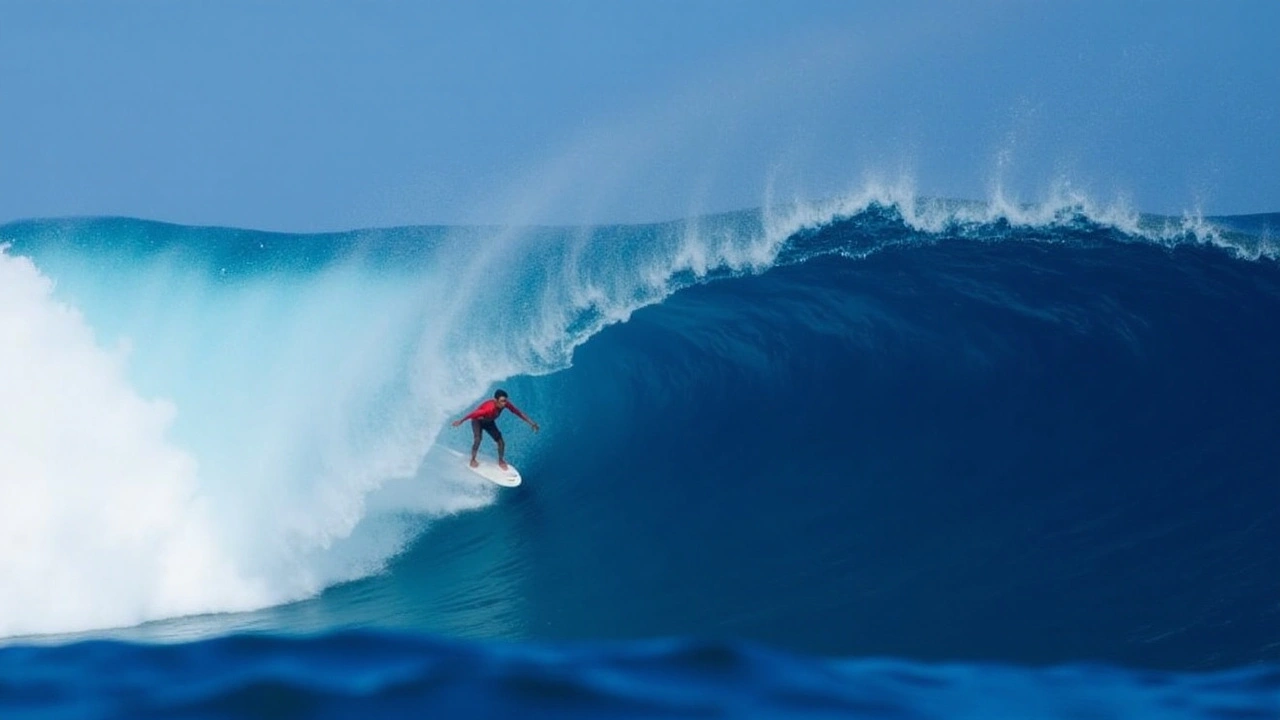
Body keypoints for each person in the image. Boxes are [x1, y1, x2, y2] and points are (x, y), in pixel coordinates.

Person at [451, 389, 539, 470]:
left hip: (489, 422)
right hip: (478, 421)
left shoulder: (505, 404)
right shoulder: (489, 409)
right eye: (502, 401)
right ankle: (473, 459)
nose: (504, 403)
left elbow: (518, 413)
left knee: (501, 442)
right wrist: (461, 421)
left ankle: (500, 460)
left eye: (505, 401)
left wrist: (532, 423)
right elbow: (473, 414)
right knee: (478, 439)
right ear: (496, 400)